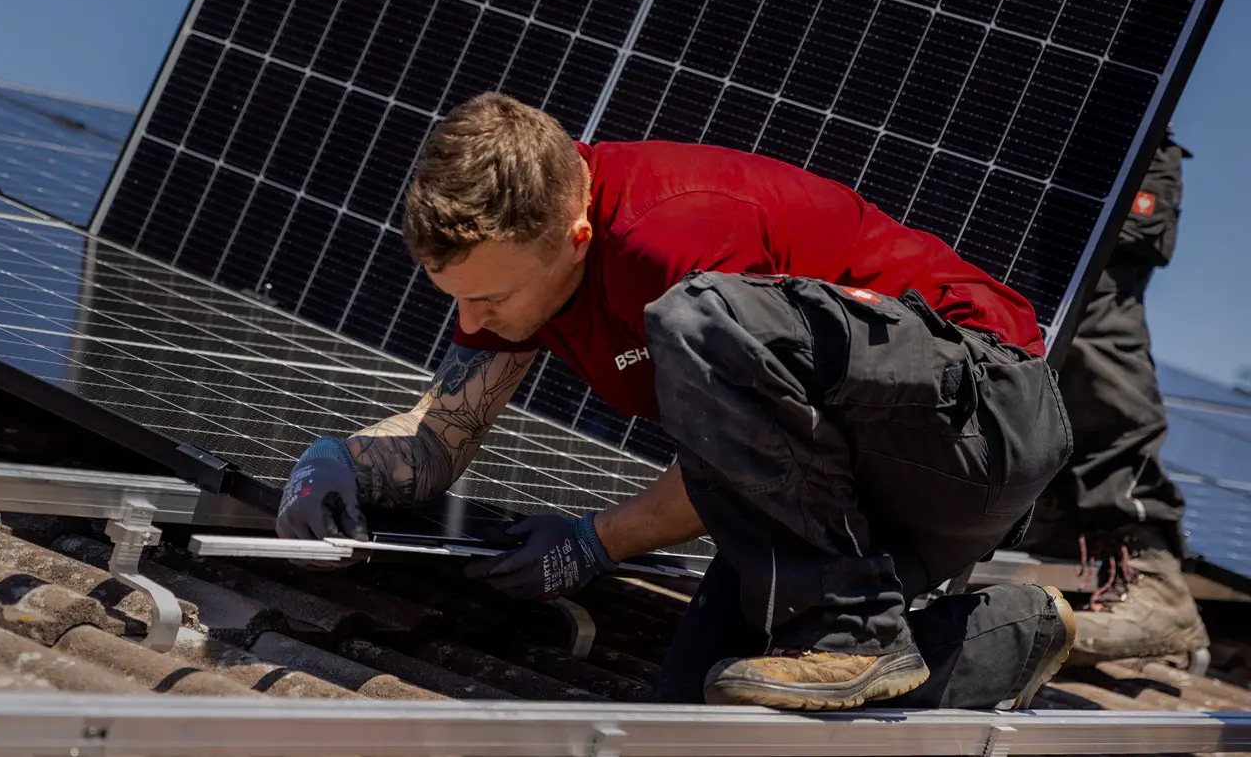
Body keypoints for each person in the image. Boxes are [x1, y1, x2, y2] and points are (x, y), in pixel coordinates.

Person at [276, 92, 1077, 710]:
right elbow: (443, 432)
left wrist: (595, 540)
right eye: (458, 298)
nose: (472, 320)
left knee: (700, 317)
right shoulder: (523, 267)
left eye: (489, 298)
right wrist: (338, 463)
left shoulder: (669, 233)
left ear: (575, 237)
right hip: (846, 483)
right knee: (703, 710)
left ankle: (852, 628)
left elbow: (740, 439)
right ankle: (1010, 634)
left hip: (980, 416)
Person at [1020, 133, 1209, 665]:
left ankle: (1150, 573)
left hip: (1111, 148)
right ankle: (1045, 534)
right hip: (1016, 137)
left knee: (1088, 319)